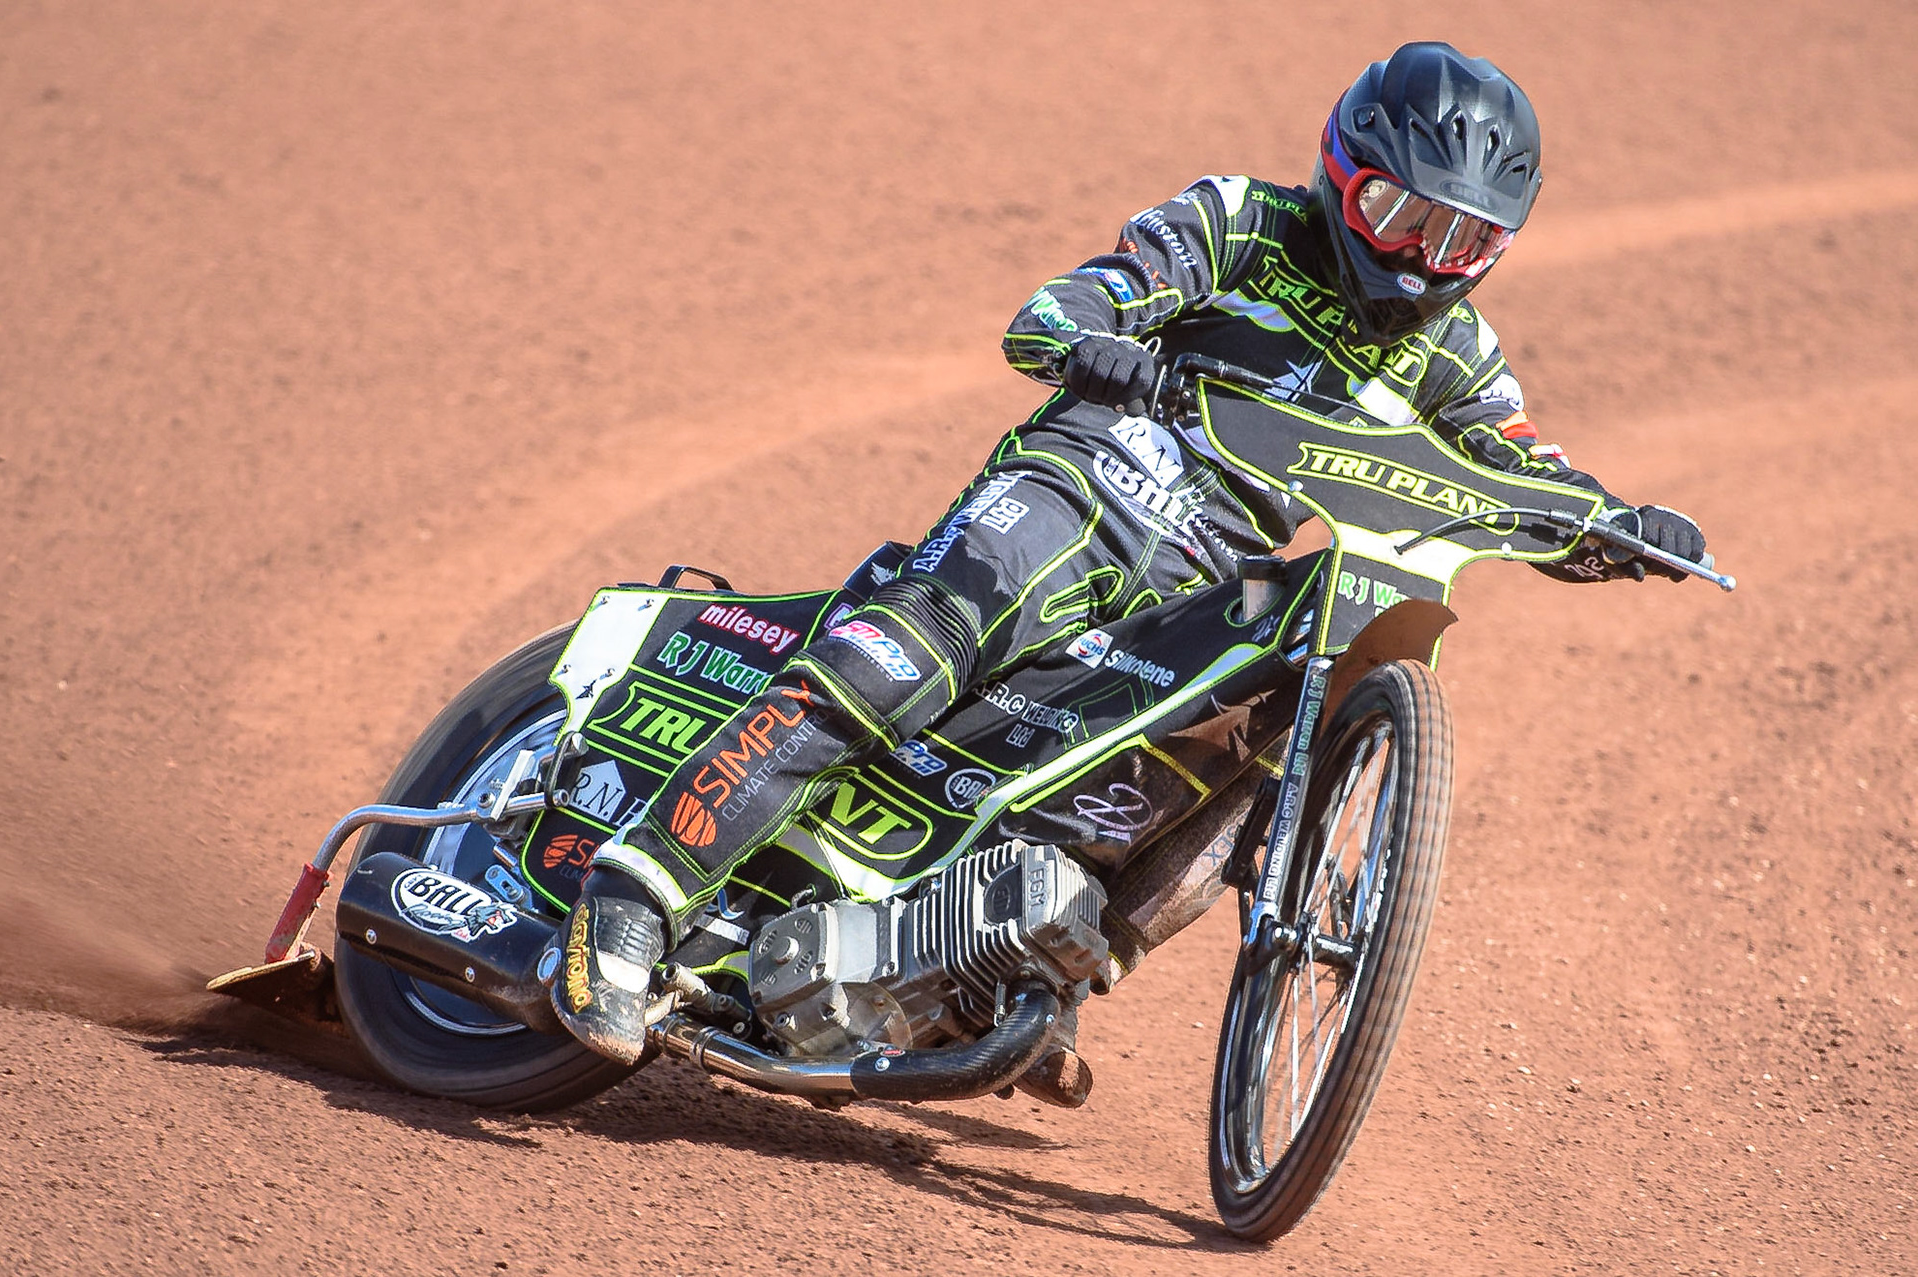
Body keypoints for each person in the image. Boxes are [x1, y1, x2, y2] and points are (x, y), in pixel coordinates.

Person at [547, 41, 1709, 1098]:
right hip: (1082, 487)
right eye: (1398, 213)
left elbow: (1519, 470)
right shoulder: (1242, 222)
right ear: (1341, 171)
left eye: (1459, 240)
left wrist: (1618, 524)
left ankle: (1015, 970)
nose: (1418, 259)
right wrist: (1093, 340)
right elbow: (1066, 304)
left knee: (1249, 746)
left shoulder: (1457, 355)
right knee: (900, 656)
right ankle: (632, 894)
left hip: (1203, 581)